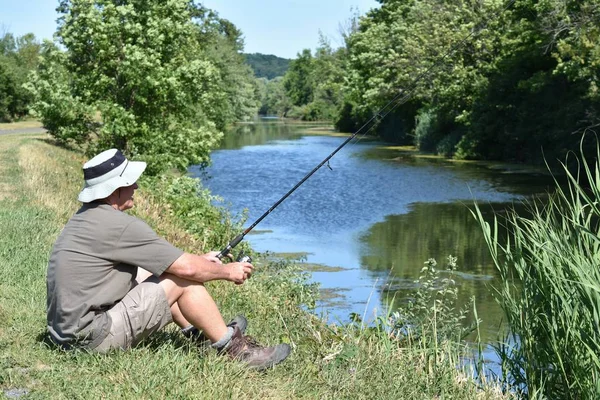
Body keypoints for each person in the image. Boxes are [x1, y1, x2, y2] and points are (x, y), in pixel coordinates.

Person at [46, 149, 291, 370]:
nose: (137, 187)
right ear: (115, 190)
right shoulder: (119, 226)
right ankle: (237, 351)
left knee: (156, 272)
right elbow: (185, 270)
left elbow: (163, 261)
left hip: (65, 334)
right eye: (131, 182)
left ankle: (202, 335)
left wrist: (202, 260)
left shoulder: (84, 219)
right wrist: (229, 271)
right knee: (182, 281)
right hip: (90, 339)